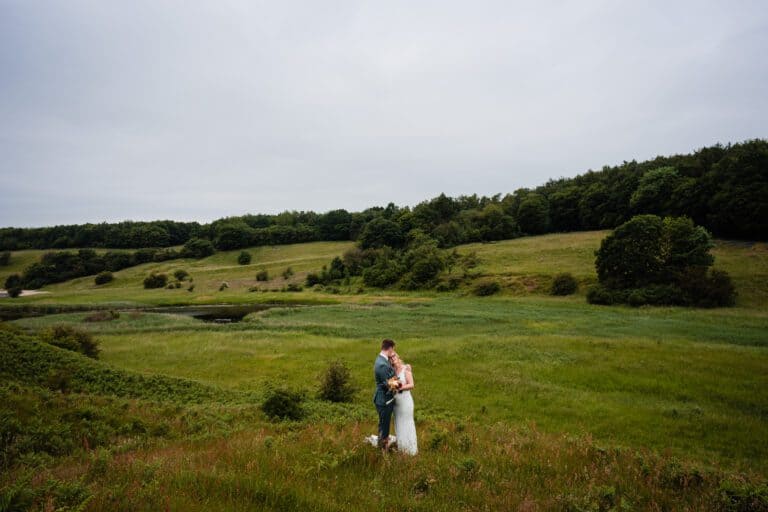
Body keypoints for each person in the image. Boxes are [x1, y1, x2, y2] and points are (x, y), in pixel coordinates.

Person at [390, 352, 418, 455]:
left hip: (405, 402)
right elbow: (391, 386)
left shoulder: (405, 368)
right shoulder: (392, 372)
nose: (392, 358)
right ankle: (402, 449)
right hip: (396, 403)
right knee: (399, 424)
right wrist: (392, 387)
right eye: (390, 357)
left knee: (407, 423)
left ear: (398, 357)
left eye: (394, 356)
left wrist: (400, 387)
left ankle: (411, 450)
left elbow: (411, 385)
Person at [372, 339, 397, 450]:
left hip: (384, 399)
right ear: (390, 348)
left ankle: (382, 446)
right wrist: (399, 383)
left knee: (383, 424)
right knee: (384, 426)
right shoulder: (382, 364)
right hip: (384, 400)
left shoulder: (383, 360)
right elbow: (389, 383)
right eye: (393, 349)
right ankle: (382, 450)